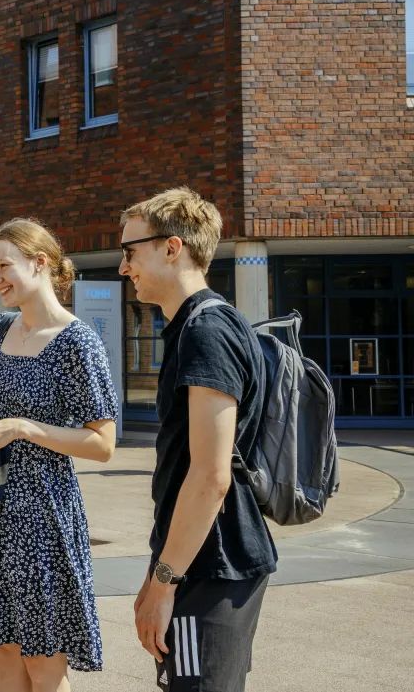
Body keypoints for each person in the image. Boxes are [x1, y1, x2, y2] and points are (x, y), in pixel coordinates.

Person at [118, 188, 274, 692]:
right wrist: (157, 574)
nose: (123, 267)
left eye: (130, 251)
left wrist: (165, 582)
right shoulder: (195, 326)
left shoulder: (207, 331)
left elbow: (210, 476)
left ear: (172, 247)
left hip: (212, 565)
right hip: (197, 561)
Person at [0, 217, 118, 691]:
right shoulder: (0, 329)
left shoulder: (77, 341)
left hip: (43, 517)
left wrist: (23, 428)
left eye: (4, 266)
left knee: (44, 666)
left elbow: (103, 443)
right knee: (6, 657)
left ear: (40, 263)